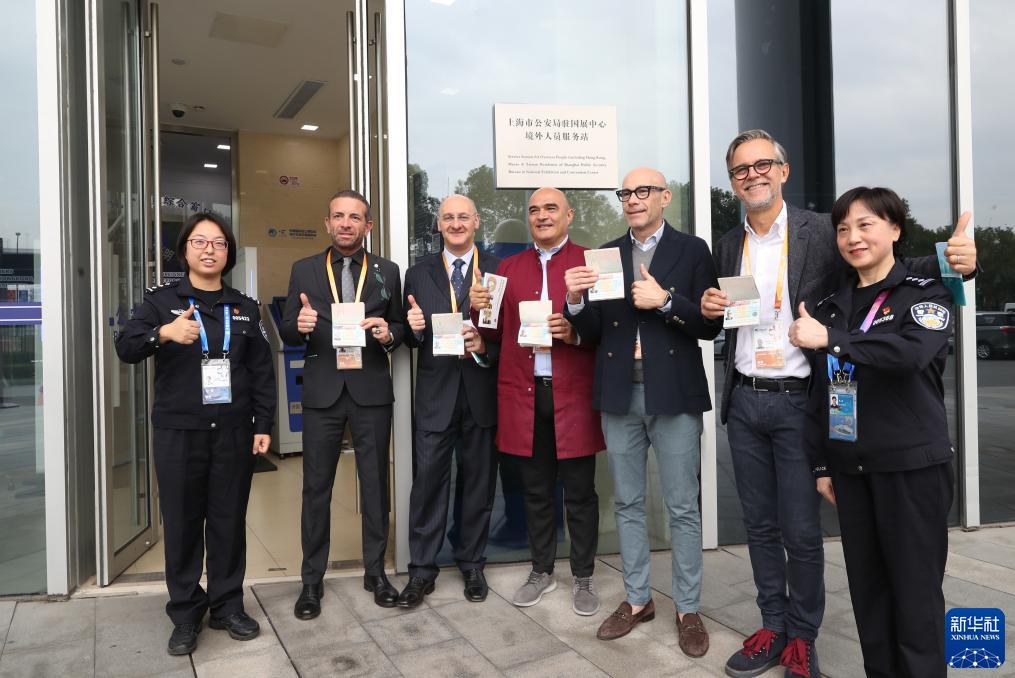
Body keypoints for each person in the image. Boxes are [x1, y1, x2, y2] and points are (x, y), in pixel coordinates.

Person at [699, 129, 976, 678]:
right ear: (732, 182)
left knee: (803, 533)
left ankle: (802, 638)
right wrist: (708, 309)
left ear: (783, 170)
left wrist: (959, 265)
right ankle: (772, 625)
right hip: (747, 398)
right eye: (740, 170)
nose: (752, 175)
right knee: (760, 527)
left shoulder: (823, 231)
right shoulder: (728, 244)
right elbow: (723, 321)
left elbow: (885, 265)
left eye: (762, 164)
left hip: (802, 398)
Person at [789, 186, 955, 678]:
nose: (853, 237)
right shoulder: (829, 302)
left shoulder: (925, 292)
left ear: (895, 229)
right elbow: (822, 389)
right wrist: (822, 464)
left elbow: (909, 355)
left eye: (866, 225)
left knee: (916, 599)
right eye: (843, 229)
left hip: (911, 468)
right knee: (870, 597)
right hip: (852, 470)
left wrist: (833, 340)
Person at [564, 168, 720, 656]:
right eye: (626, 192)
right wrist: (574, 301)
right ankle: (637, 600)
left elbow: (710, 327)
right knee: (628, 503)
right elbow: (592, 331)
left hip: (673, 393)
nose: (632, 199)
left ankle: (687, 608)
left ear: (664, 197)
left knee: (682, 506)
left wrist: (666, 301)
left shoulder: (692, 250)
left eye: (643, 191)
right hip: (619, 394)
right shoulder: (606, 254)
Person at [114, 211, 275, 656]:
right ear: (184, 250)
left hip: (233, 432)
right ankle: (186, 613)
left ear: (228, 253)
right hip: (179, 433)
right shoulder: (160, 302)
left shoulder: (245, 307)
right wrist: (163, 334)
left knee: (228, 522)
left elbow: (261, 373)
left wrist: (263, 425)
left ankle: (227, 606)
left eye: (219, 243)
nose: (209, 250)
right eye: (200, 242)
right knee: (183, 524)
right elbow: (126, 346)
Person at [470, 187, 604, 616]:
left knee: (580, 493)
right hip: (524, 394)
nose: (542, 216)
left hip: (574, 394)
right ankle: (541, 570)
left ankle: (583, 576)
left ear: (569, 215)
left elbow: (609, 328)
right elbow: (490, 332)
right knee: (536, 491)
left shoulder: (590, 263)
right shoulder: (507, 269)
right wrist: (476, 308)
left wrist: (575, 332)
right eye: (534, 210)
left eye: (550, 208)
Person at [280, 189, 405, 618]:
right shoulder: (304, 269)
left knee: (375, 485)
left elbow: (399, 325)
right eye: (338, 216)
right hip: (322, 393)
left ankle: (376, 572)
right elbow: (288, 329)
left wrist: (389, 333)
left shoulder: (387, 270)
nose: (346, 223)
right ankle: (311, 581)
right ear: (328, 223)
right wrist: (298, 325)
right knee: (316, 488)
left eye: (355, 217)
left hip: (371, 391)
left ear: (368, 225)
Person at [399, 194, 500, 607]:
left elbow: (509, 333)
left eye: (463, 217)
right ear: (438, 225)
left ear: (476, 221)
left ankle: (472, 563)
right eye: (448, 218)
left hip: (480, 391)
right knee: (427, 485)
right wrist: (413, 328)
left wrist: (485, 346)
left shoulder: (497, 271)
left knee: (478, 484)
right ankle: (421, 571)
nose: (456, 224)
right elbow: (409, 337)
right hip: (435, 395)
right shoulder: (417, 273)